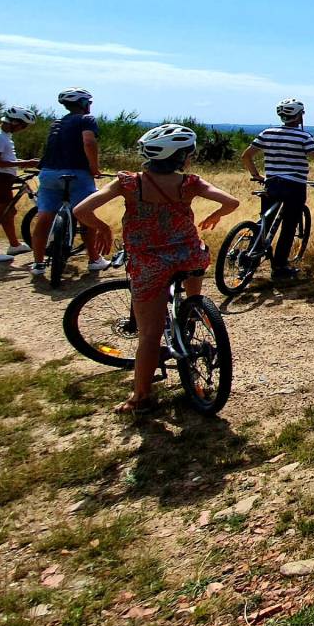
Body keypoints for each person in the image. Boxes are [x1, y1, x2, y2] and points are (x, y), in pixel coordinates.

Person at [73, 125, 240, 414]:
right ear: (182, 157)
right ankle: (192, 310)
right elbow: (231, 202)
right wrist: (216, 214)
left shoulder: (128, 183)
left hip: (148, 261)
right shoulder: (190, 183)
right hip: (188, 255)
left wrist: (102, 228)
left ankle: (140, 398)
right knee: (196, 261)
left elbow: (81, 210)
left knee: (149, 335)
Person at [241, 98, 314, 281]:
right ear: (299, 115)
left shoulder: (267, 133)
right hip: (294, 186)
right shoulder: (304, 137)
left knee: (265, 222)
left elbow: (246, 156)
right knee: (289, 226)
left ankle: (250, 258)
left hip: (272, 183)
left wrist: (257, 175)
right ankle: (280, 267)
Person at [31, 87, 112, 275]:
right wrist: (94, 167)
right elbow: (89, 142)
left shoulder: (56, 123)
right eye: (88, 102)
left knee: (44, 217)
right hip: (78, 173)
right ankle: (94, 259)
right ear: (83, 104)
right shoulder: (86, 119)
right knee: (84, 214)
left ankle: (38, 263)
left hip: (49, 173)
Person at [0, 105, 39, 262]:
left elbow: (7, 160)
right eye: (23, 125)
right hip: (0, 179)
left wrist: (21, 165)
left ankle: (14, 245)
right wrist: (25, 163)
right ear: (15, 122)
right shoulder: (0, 137)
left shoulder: (4, 136)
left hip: (4, 178)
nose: (23, 129)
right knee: (1, 213)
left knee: (9, 212)